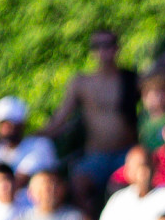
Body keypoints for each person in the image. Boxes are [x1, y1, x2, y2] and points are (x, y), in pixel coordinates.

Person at [36, 29, 141, 207]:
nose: (103, 50)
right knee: (78, 184)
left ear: (116, 48)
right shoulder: (82, 82)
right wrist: (30, 136)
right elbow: (60, 119)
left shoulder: (131, 78)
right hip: (95, 154)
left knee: (130, 188)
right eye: (97, 46)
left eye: (107, 45)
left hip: (126, 153)